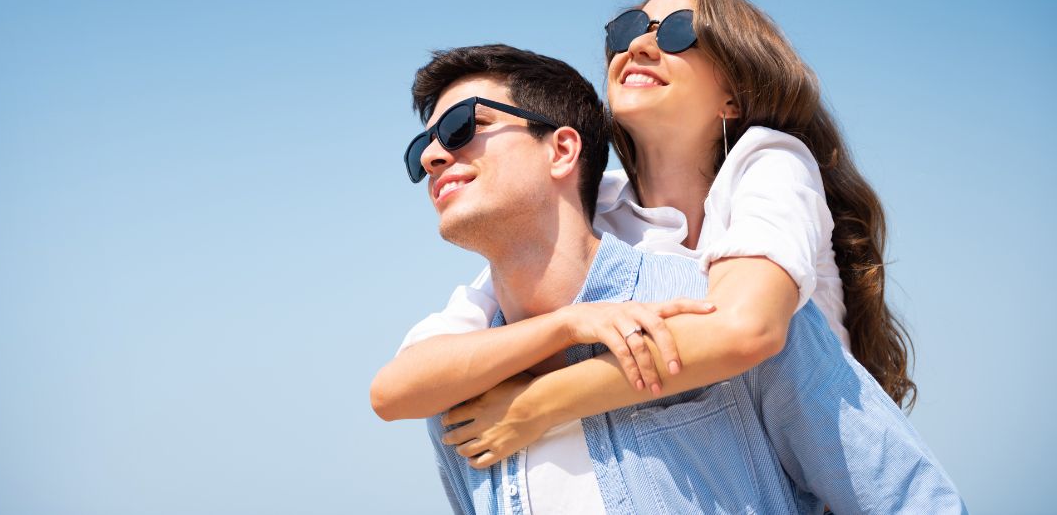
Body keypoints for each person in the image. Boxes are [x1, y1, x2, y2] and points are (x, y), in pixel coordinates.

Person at [372, 43, 963, 514]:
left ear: (562, 150)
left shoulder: (707, 303)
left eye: (461, 127)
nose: (432, 156)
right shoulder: (458, 386)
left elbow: (908, 499)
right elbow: (390, 392)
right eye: (423, 145)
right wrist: (568, 324)